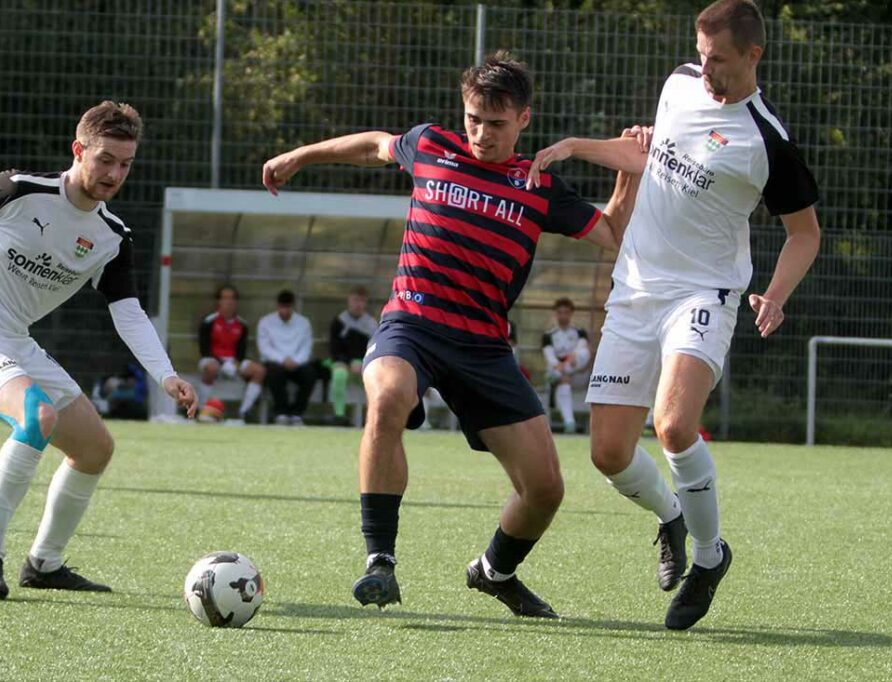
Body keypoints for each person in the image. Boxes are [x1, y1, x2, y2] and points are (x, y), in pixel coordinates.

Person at [262, 52, 641, 618]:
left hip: (484, 346)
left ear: (523, 121)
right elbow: (373, 144)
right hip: (412, 324)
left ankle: (495, 572)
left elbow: (613, 231)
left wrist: (628, 168)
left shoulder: (539, 186)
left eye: (496, 123)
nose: (481, 134)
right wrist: (300, 154)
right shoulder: (432, 146)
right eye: (472, 119)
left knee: (545, 489)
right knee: (387, 397)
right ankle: (380, 561)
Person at [529, 0, 821, 630]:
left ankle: (710, 557)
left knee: (673, 424)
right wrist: (579, 147)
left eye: (719, 59)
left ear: (753, 56)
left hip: (704, 293)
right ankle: (671, 517)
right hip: (635, 286)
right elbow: (652, 158)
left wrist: (774, 293)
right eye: (702, 53)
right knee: (607, 453)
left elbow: (805, 234)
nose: (707, 67)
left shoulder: (766, 140)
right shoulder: (679, 83)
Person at [0, 101, 198, 599]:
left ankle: (44, 562)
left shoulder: (112, 237)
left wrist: (165, 375)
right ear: (78, 150)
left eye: (125, 164)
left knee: (95, 449)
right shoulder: (19, 189)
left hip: (16, 343)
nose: (114, 173)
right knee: (36, 417)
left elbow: (127, 311)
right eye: (105, 159)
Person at [197, 284, 266, 421]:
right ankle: (201, 409)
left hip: (233, 362)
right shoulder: (209, 321)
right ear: (219, 301)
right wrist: (222, 363)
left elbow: (241, 351)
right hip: (212, 359)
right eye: (225, 298)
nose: (229, 302)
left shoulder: (242, 324)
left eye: (232, 299)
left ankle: (244, 412)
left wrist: (236, 364)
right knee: (211, 367)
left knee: (259, 371)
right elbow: (204, 349)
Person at [257, 289, 316, 426]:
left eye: (288, 307)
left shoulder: (304, 323)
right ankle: (281, 412)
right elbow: (265, 348)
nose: (285, 311)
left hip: (298, 362)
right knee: (274, 373)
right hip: (276, 362)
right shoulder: (265, 322)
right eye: (283, 307)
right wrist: (283, 360)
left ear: (293, 306)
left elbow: (306, 347)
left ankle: (297, 413)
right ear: (278, 306)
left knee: (310, 374)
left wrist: (296, 361)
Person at [327, 285, 377, 424]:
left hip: (364, 363)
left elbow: (374, 347)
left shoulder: (371, 324)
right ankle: (339, 415)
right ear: (349, 301)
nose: (358, 304)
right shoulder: (339, 322)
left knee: (375, 377)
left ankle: (373, 416)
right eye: (355, 300)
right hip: (343, 362)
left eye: (361, 301)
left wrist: (362, 361)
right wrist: (347, 362)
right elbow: (334, 348)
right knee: (339, 374)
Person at [541, 297, 591, 434]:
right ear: (555, 314)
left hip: (577, 370)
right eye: (560, 312)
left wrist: (569, 362)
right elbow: (550, 357)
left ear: (571, 313)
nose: (563, 316)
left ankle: (559, 373)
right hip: (558, 372)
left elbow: (582, 350)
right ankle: (569, 422)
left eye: (566, 312)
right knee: (564, 382)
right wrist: (559, 367)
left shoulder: (579, 332)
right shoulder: (548, 335)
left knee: (583, 352)